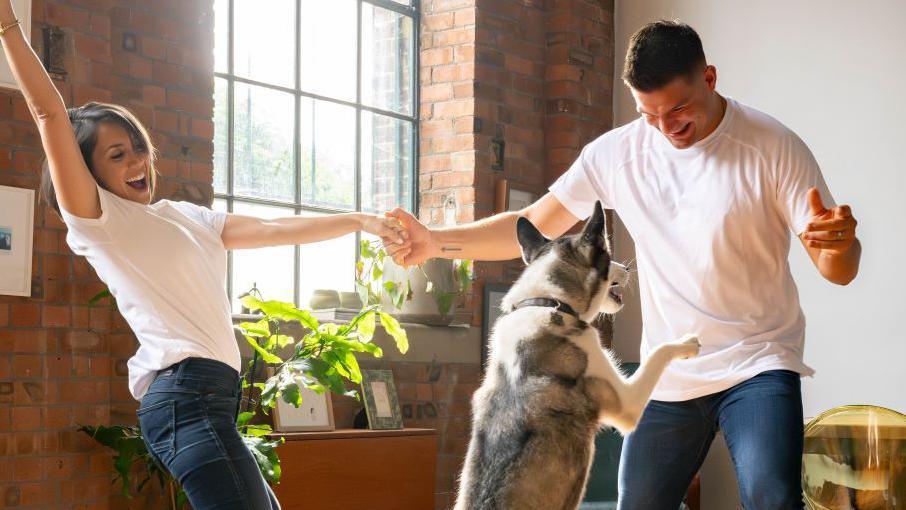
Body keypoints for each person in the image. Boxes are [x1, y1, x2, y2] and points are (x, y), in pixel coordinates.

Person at [385, 20, 861, 510]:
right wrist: (432, 242)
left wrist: (841, 245)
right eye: (648, 114)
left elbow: (838, 268)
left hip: (758, 360)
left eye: (678, 108)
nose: (666, 127)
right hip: (674, 373)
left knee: (772, 497)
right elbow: (531, 225)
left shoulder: (771, 146)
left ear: (710, 78)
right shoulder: (617, 154)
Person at [0, 2, 408, 508]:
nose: (137, 161)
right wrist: (8, 25)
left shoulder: (183, 215)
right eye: (116, 155)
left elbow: (272, 226)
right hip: (184, 399)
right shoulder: (99, 221)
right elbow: (48, 114)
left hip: (211, 402)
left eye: (137, 146)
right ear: (89, 174)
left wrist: (357, 220)